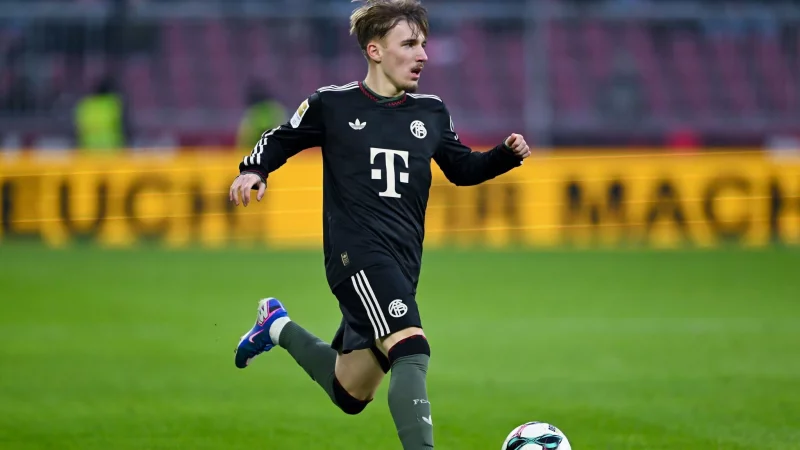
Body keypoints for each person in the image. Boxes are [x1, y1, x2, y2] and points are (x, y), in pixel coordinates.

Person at [228, 1, 530, 449]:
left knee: (351, 391)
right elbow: (281, 137)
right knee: (412, 348)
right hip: (356, 256)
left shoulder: (430, 112)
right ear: (374, 50)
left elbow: (461, 168)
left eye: (424, 44)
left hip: (402, 263)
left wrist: (503, 156)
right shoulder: (331, 104)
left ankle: (275, 326)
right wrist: (254, 169)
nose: (423, 54)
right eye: (409, 44)